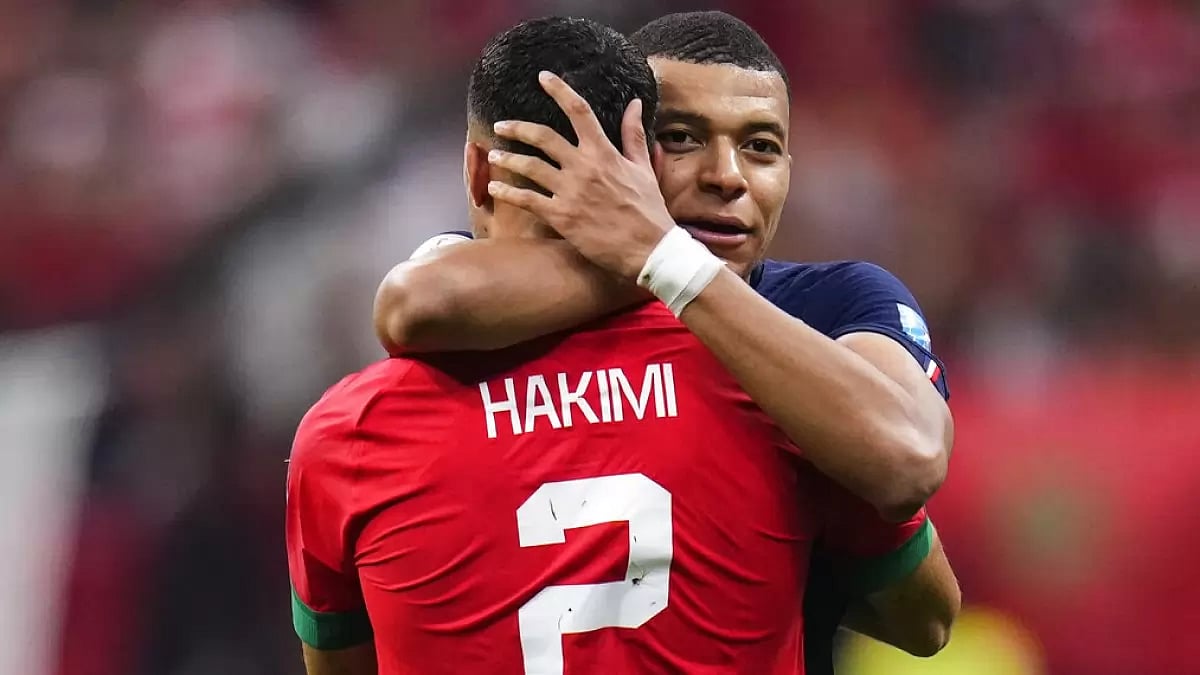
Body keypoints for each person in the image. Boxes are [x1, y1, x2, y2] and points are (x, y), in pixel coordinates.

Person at [290, 16, 955, 675]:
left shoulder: (820, 325)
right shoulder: (764, 397)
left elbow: (908, 465)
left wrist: (660, 255)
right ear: (612, 159)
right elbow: (415, 303)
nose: (728, 176)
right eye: (682, 138)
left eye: (760, 146)